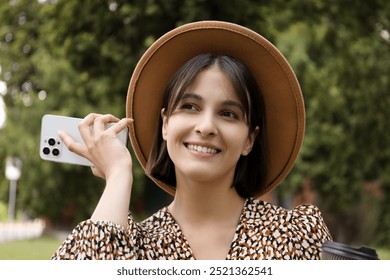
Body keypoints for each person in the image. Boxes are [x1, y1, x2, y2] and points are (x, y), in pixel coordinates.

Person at [51, 21, 332, 260]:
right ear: (165, 124)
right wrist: (117, 175)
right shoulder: (133, 246)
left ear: (249, 139)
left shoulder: (296, 233)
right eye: (190, 107)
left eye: (228, 113)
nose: (206, 126)